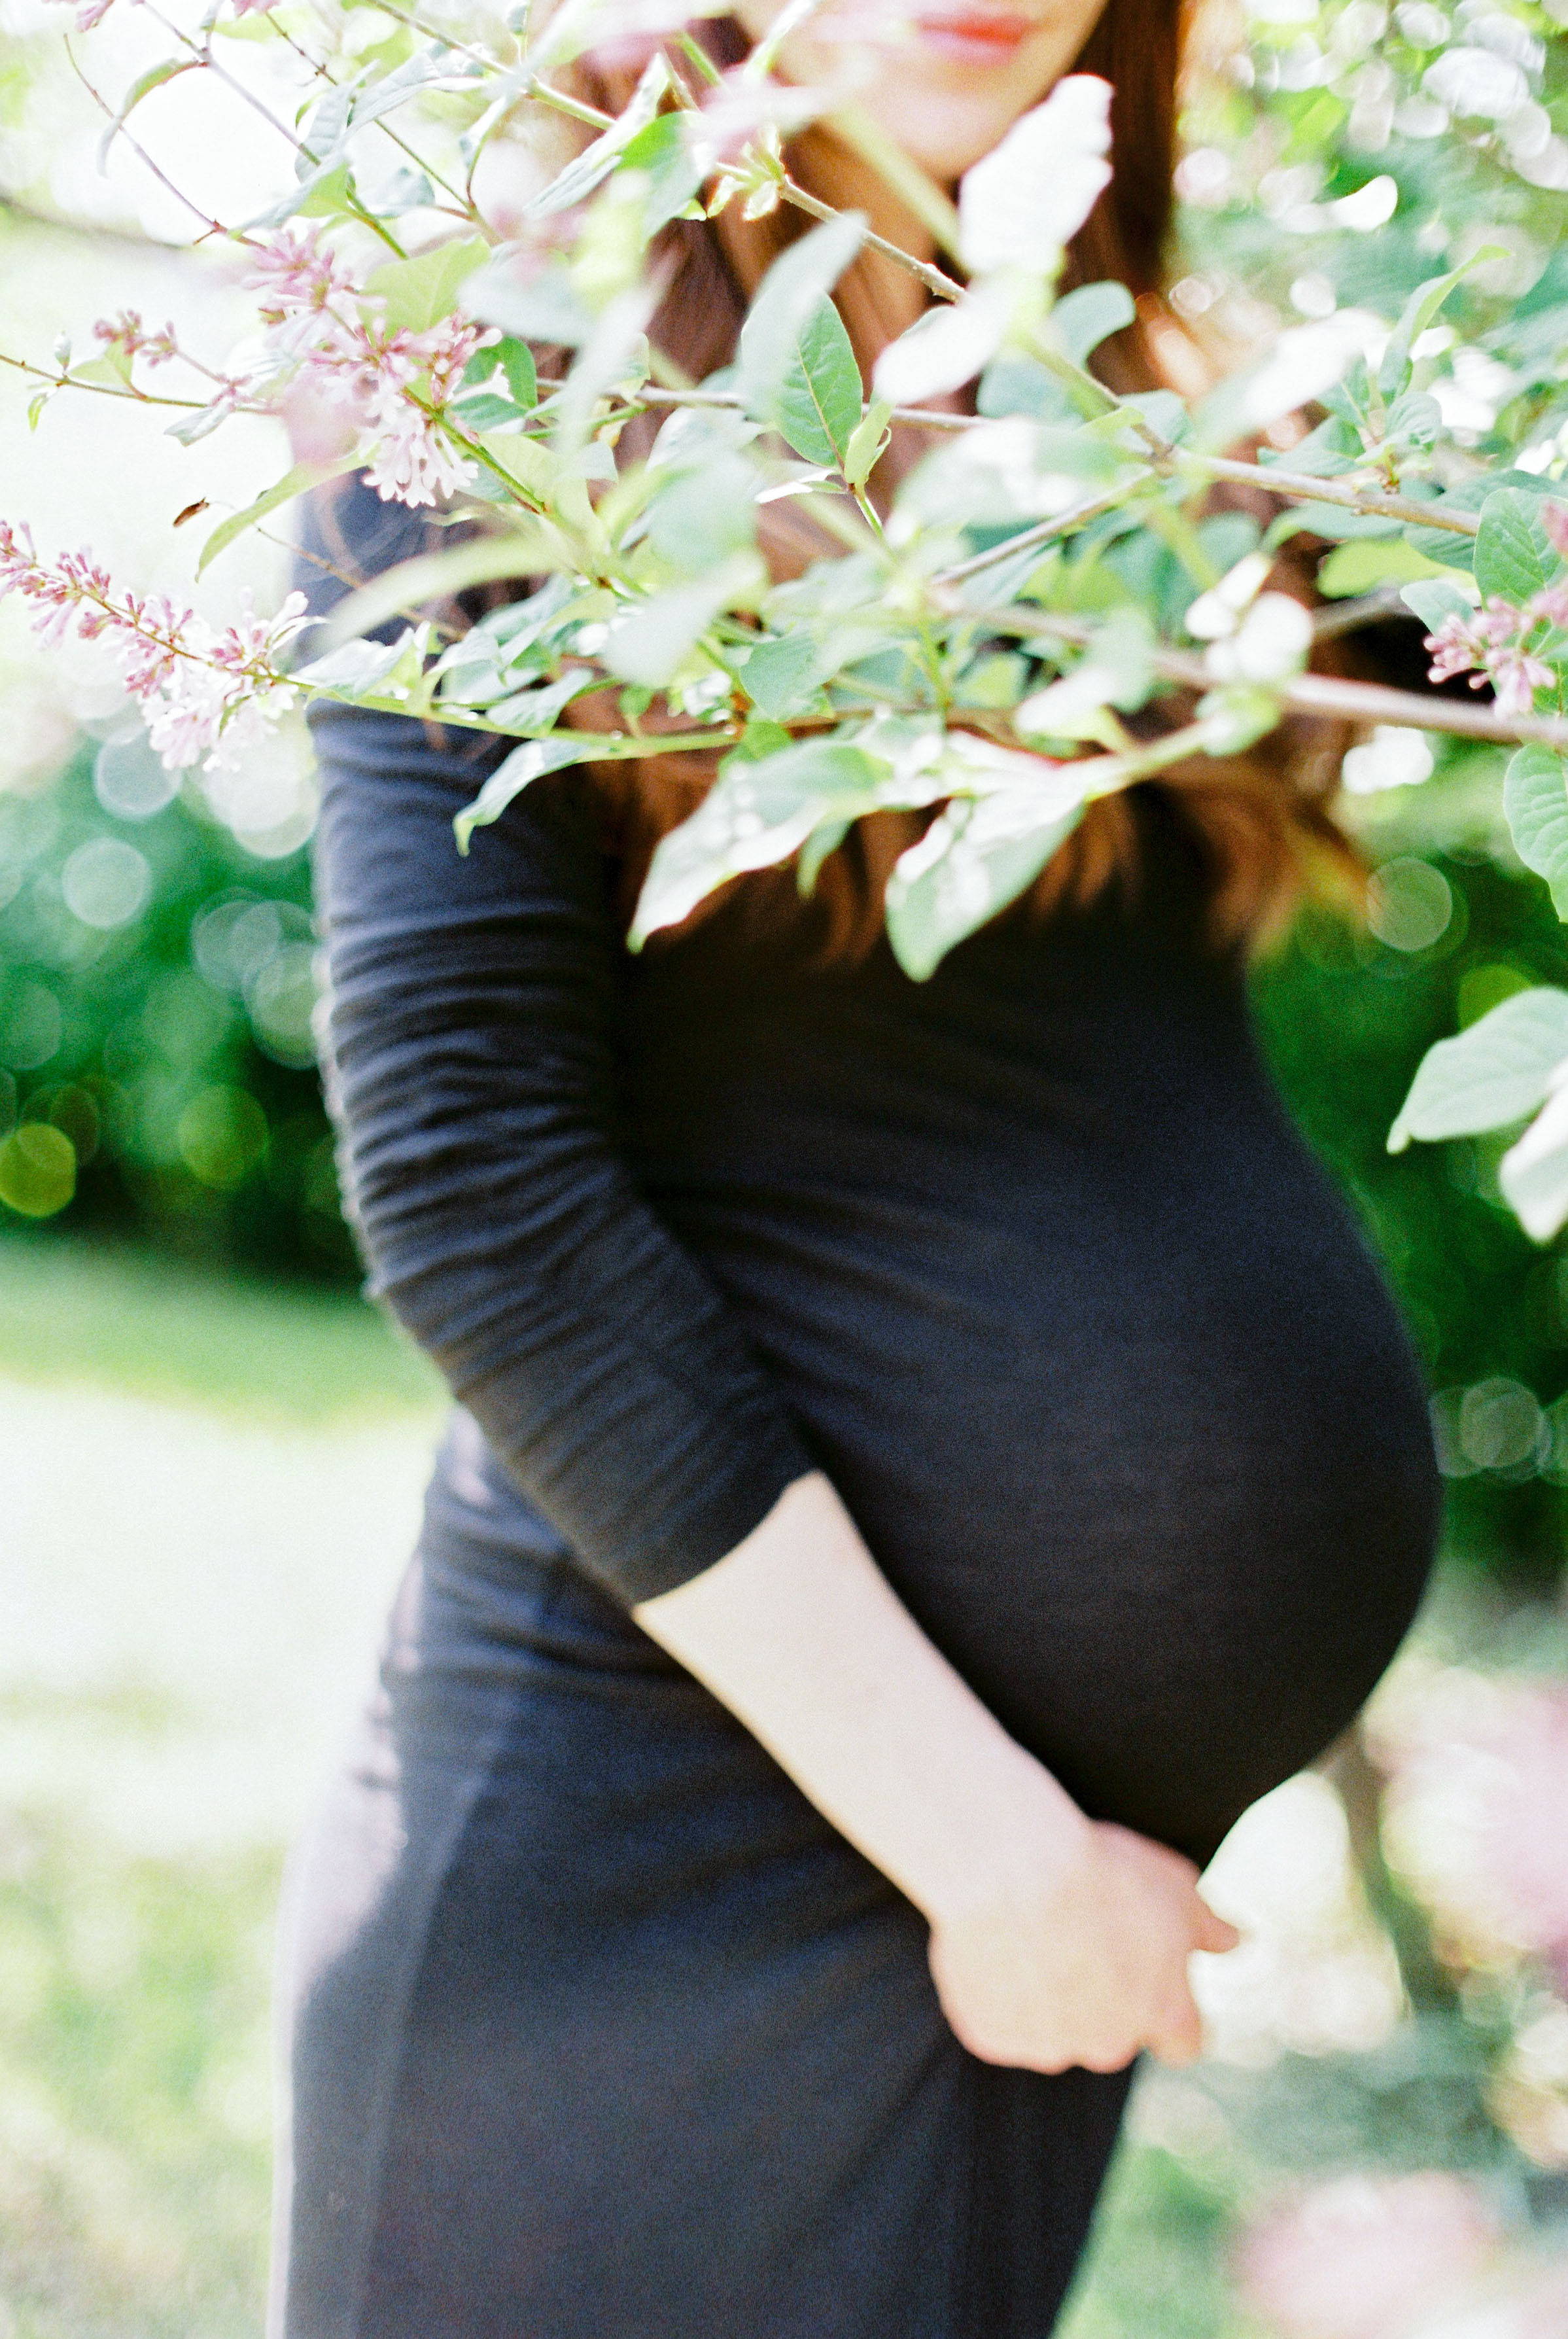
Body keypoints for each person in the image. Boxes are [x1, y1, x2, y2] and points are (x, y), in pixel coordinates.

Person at [268, 2, 1442, 2331]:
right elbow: (470, 1171)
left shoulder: (1143, 419)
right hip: (663, 1892)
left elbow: (1484, 634)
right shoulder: (503, 369)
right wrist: (992, 1854)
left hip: (1006, 1919)